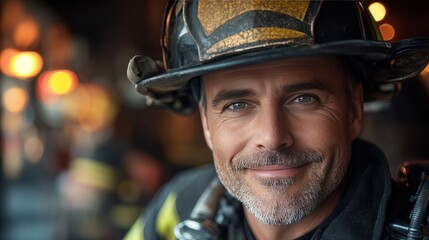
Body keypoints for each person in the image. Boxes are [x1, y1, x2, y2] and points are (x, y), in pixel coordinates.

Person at [124, 0, 429, 239]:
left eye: (304, 99)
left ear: (354, 110)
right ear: (206, 123)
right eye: (236, 105)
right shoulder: (181, 204)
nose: (271, 136)